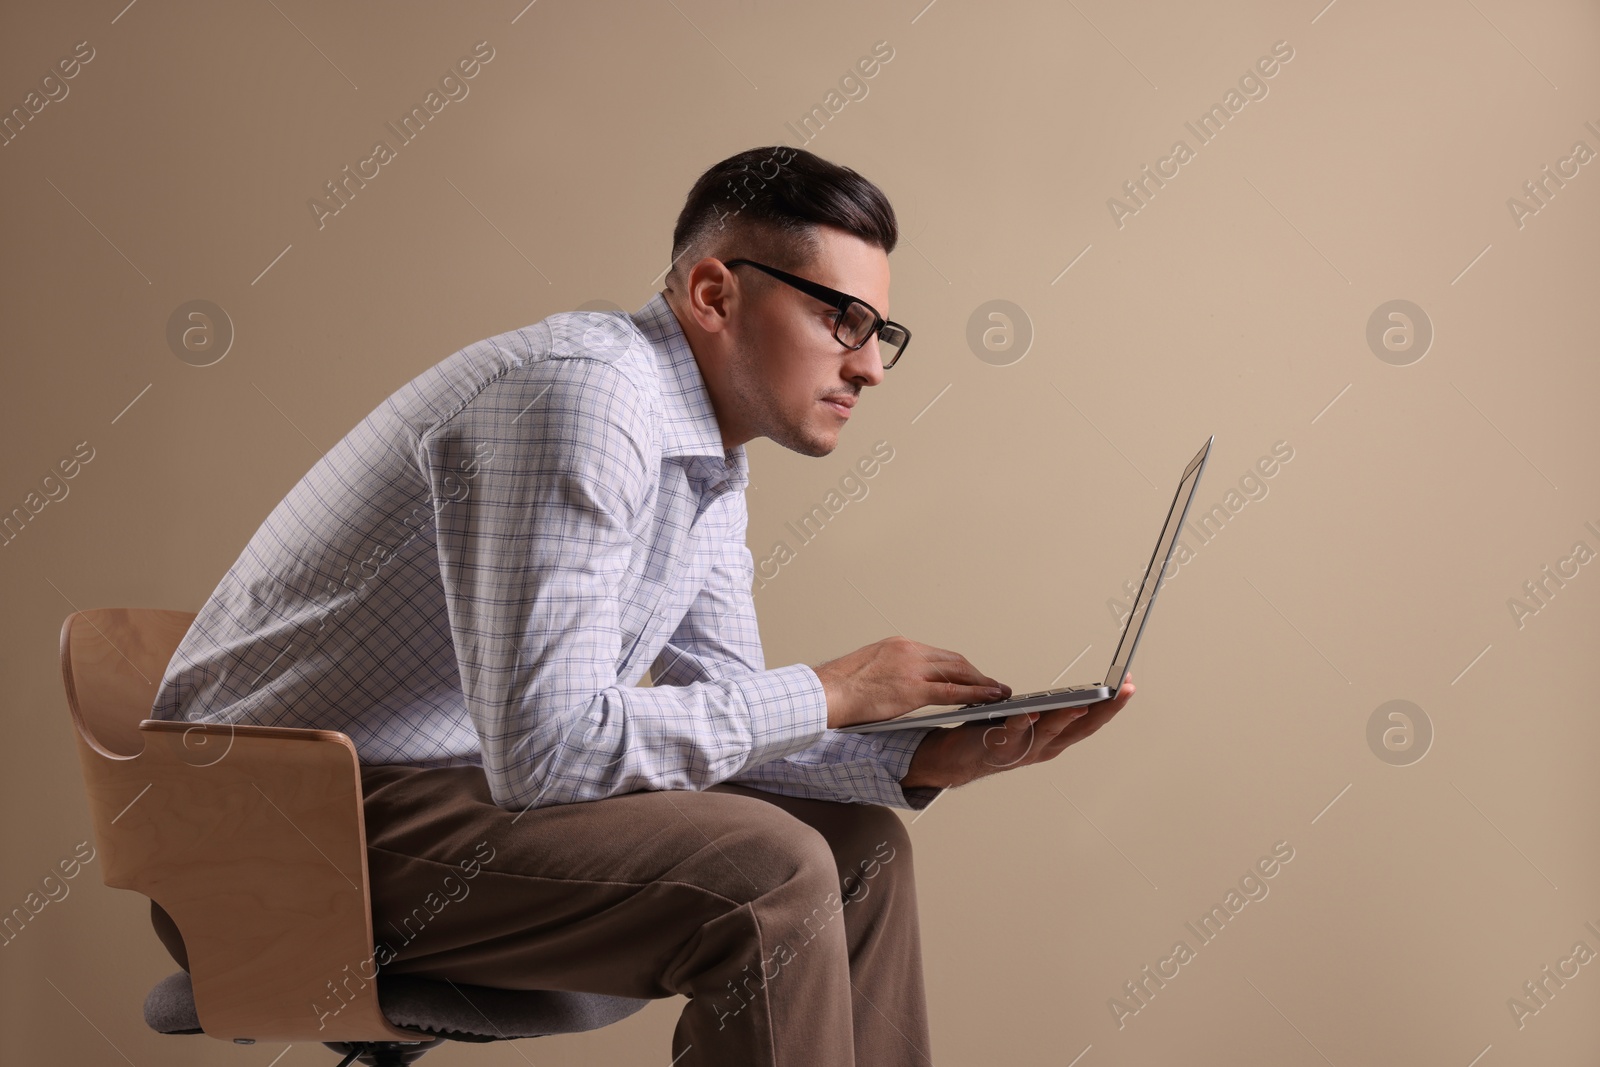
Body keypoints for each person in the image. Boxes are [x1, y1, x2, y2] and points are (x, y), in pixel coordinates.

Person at [149, 145, 1136, 1066]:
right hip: (274, 824)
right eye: (842, 318)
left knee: (860, 853)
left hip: (445, 786)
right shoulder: (582, 396)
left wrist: (917, 753)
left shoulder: (705, 457)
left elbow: (723, 717)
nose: (870, 364)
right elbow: (551, 752)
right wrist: (835, 688)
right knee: (771, 868)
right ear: (714, 291)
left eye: (880, 332)